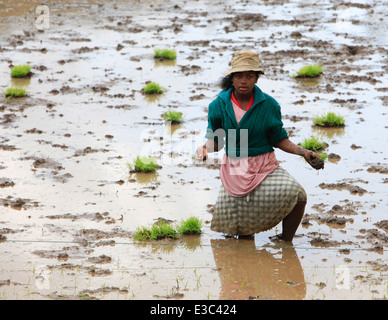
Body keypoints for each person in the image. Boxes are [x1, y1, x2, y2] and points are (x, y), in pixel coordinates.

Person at [195, 50, 323, 242]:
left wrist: (303, 152)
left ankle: (286, 241)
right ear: (231, 78)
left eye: (249, 76)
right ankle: (248, 263)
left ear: (256, 78)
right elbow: (217, 139)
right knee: (244, 233)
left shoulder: (269, 105)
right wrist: (205, 150)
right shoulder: (218, 105)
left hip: (264, 165)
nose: (244, 81)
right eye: (238, 76)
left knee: (298, 195)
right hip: (236, 168)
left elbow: (278, 138)